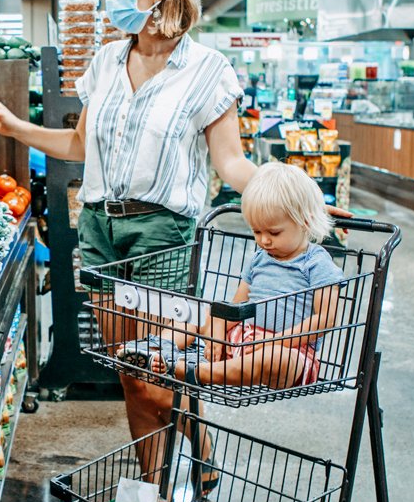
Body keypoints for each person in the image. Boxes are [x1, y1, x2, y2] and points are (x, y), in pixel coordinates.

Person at [0, 0, 255, 481]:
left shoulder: (207, 70)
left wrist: (283, 194)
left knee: (158, 372)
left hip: (162, 234)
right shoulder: (105, 62)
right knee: (130, 373)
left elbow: (232, 164)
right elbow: (80, 148)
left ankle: (170, 473)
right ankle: (154, 485)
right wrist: (14, 126)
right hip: (100, 230)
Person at [146, 162, 344, 389]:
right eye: (257, 231)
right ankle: (155, 352)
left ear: (305, 221)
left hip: (289, 353)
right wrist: (218, 329)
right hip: (244, 339)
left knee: (273, 357)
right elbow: (236, 306)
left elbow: (325, 319)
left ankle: (194, 371)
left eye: (274, 232)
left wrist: (278, 340)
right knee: (195, 314)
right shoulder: (260, 258)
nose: (264, 240)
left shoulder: (317, 262)